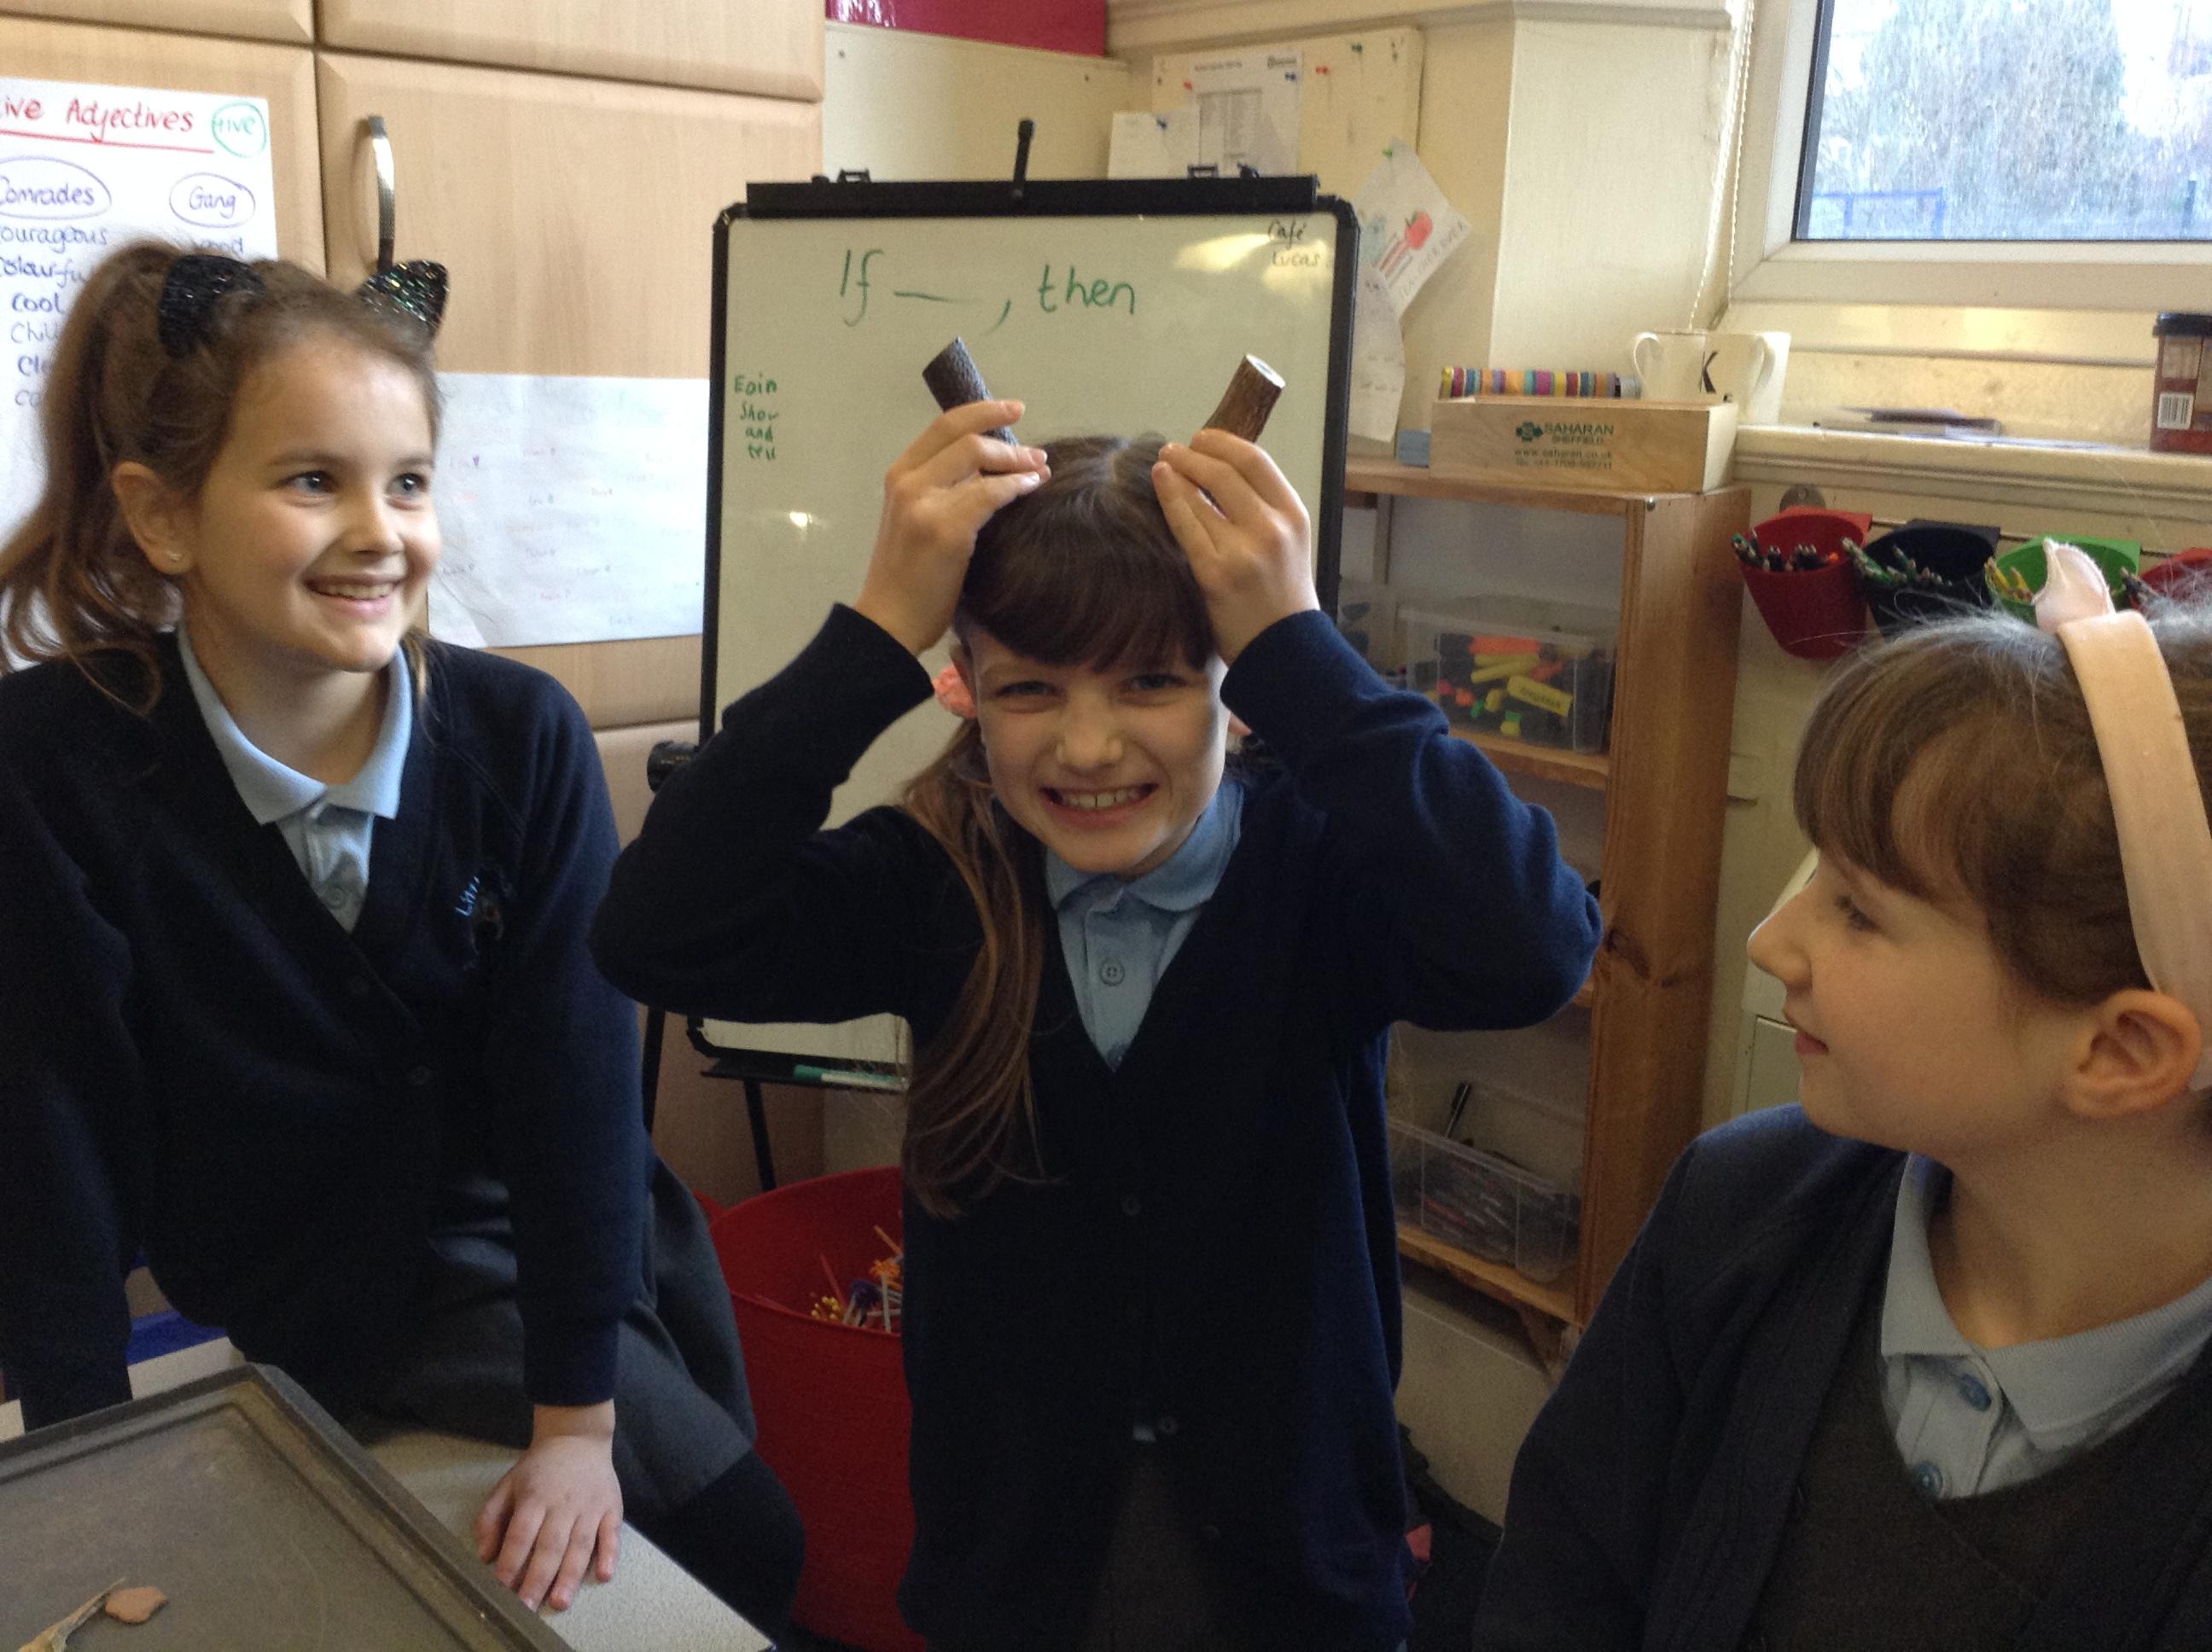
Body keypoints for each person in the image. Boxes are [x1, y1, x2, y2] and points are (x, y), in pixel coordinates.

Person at [591, 400, 1602, 1651]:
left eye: (1153, 681)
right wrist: (874, 634)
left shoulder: (1319, 871)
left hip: (1295, 1574)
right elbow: (654, 931)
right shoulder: (939, 875)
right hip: (1015, 1575)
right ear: (967, 689)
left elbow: (1535, 947)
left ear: (1238, 692)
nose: (1086, 745)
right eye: (1029, 689)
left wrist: (1301, 653)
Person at [0, 241, 801, 1633]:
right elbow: (48, 1129)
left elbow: (573, 1089)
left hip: (540, 1242)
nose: (382, 530)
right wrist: (92, 1470)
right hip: (288, 1270)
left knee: (744, 1543)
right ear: (164, 516)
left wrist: (576, 1427)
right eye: (314, 481)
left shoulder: (519, 736)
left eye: (410, 482)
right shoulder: (53, 760)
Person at [1473, 548, 2212, 1649]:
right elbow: (1560, 1590)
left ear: (2119, 1050)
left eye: (1859, 910)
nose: (1773, 941)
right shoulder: (1739, 1211)